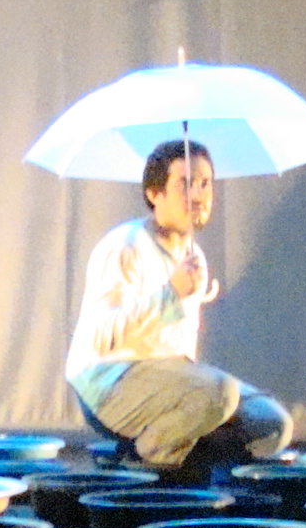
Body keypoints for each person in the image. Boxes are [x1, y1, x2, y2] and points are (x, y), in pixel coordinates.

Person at [65, 138, 294, 480]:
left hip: (168, 375)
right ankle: (146, 466)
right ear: (154, 193)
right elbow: (102, 337)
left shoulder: (192, 256)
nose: (198, 195)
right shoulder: (126, 245)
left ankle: (184, 462)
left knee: (271, 423)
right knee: (218, 394)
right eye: (185, 184)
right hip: (111, 380)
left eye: (205, 184)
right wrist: (170, 294)